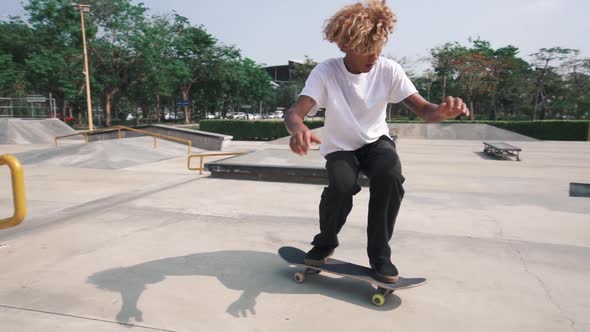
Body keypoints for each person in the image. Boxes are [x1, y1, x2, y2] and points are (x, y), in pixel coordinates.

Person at [284, 0, 470, 283]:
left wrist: (441, 112)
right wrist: (298, 128)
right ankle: (325, 242)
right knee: (342, 187)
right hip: (340, 147)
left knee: (390, 176)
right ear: (345, 45)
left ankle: (380, 254)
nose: (374, 56)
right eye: (365, 49)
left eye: (378, 48)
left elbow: (424, 110)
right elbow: (294, 113)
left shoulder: (389, 70)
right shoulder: (326, 72)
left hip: (376, 142)